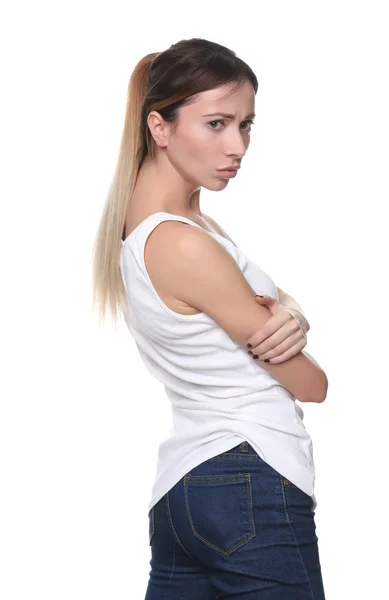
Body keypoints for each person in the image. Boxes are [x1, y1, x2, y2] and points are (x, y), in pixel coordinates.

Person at [92, 37, 327, 599]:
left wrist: (292, 313)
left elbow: (278, 302)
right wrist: (292, 327)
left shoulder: (173, 227)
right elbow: (312, 384)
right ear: (160, 126)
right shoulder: (183, 244)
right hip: (249, 475)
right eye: (217, 123)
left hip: (184, 488)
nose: (237, 145)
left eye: (246, 125)